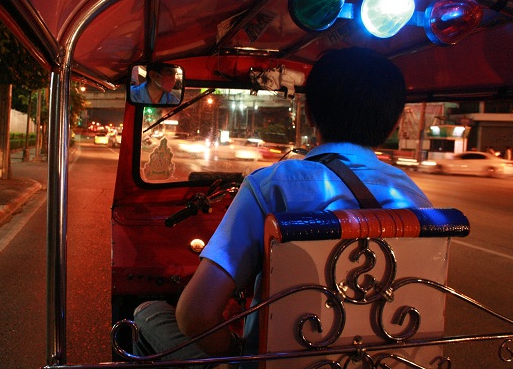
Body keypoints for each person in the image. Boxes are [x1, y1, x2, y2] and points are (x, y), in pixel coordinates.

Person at [133, 47, 433, 367]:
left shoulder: (272, 186)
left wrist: (240, 355)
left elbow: (195, 315)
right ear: (396, 123)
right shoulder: (416, 200)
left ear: (309, 114)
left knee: (147, 312)